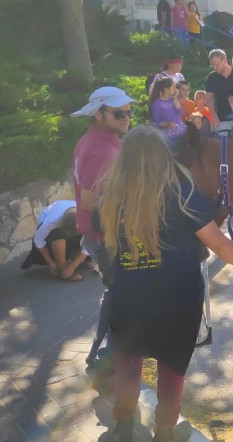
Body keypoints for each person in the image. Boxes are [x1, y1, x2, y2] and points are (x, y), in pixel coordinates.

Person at [97, 125, 233, 442]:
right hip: (177, 302)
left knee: (128, 362)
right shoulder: (180, 191)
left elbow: (102, 244)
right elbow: (220, 245)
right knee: (172, 367)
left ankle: (123, 426)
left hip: (127, 300)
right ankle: (165, 429)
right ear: (164, 155)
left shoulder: (111, 194)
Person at [70, 86, 134, 376]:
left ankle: (103, 354)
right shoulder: (99, 147)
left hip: (103, 236)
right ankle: (106, 357)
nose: (126, 117)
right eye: (119, 113)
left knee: (117, 295)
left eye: (128, 111)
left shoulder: (99, 140)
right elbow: (89, 199)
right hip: (106, 237)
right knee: (121, 297)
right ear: (99, 114)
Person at [20, 200, 87, 281]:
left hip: (74, 224)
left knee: (88, 237)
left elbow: (94, 241)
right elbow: (38, 240)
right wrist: (51, 263)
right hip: (50, 236)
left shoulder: (88, 216)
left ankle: (72, 258)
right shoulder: (52, 221)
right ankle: (62, 268)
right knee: (58, 234)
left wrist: (74, 265)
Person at [205, 49, 233, 133]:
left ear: (224, 59)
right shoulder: (211, 77)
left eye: (216, 64)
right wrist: (213, 115)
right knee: (222, 146)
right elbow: (209, 98)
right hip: (222, 119)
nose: (215, 67)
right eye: (212, 65)